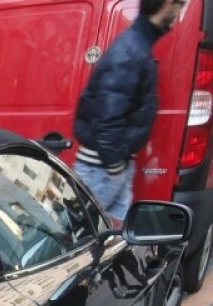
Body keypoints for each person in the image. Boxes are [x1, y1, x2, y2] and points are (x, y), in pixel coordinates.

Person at [72, 0, 184, 221]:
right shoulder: (131, 50)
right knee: (81, 233)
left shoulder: (134, 45)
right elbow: (109, 115)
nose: (180, 12)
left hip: (109, 165)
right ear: (167, 4)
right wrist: (115, 166)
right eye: (180, 4)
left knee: (106, 237)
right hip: (104, 167)